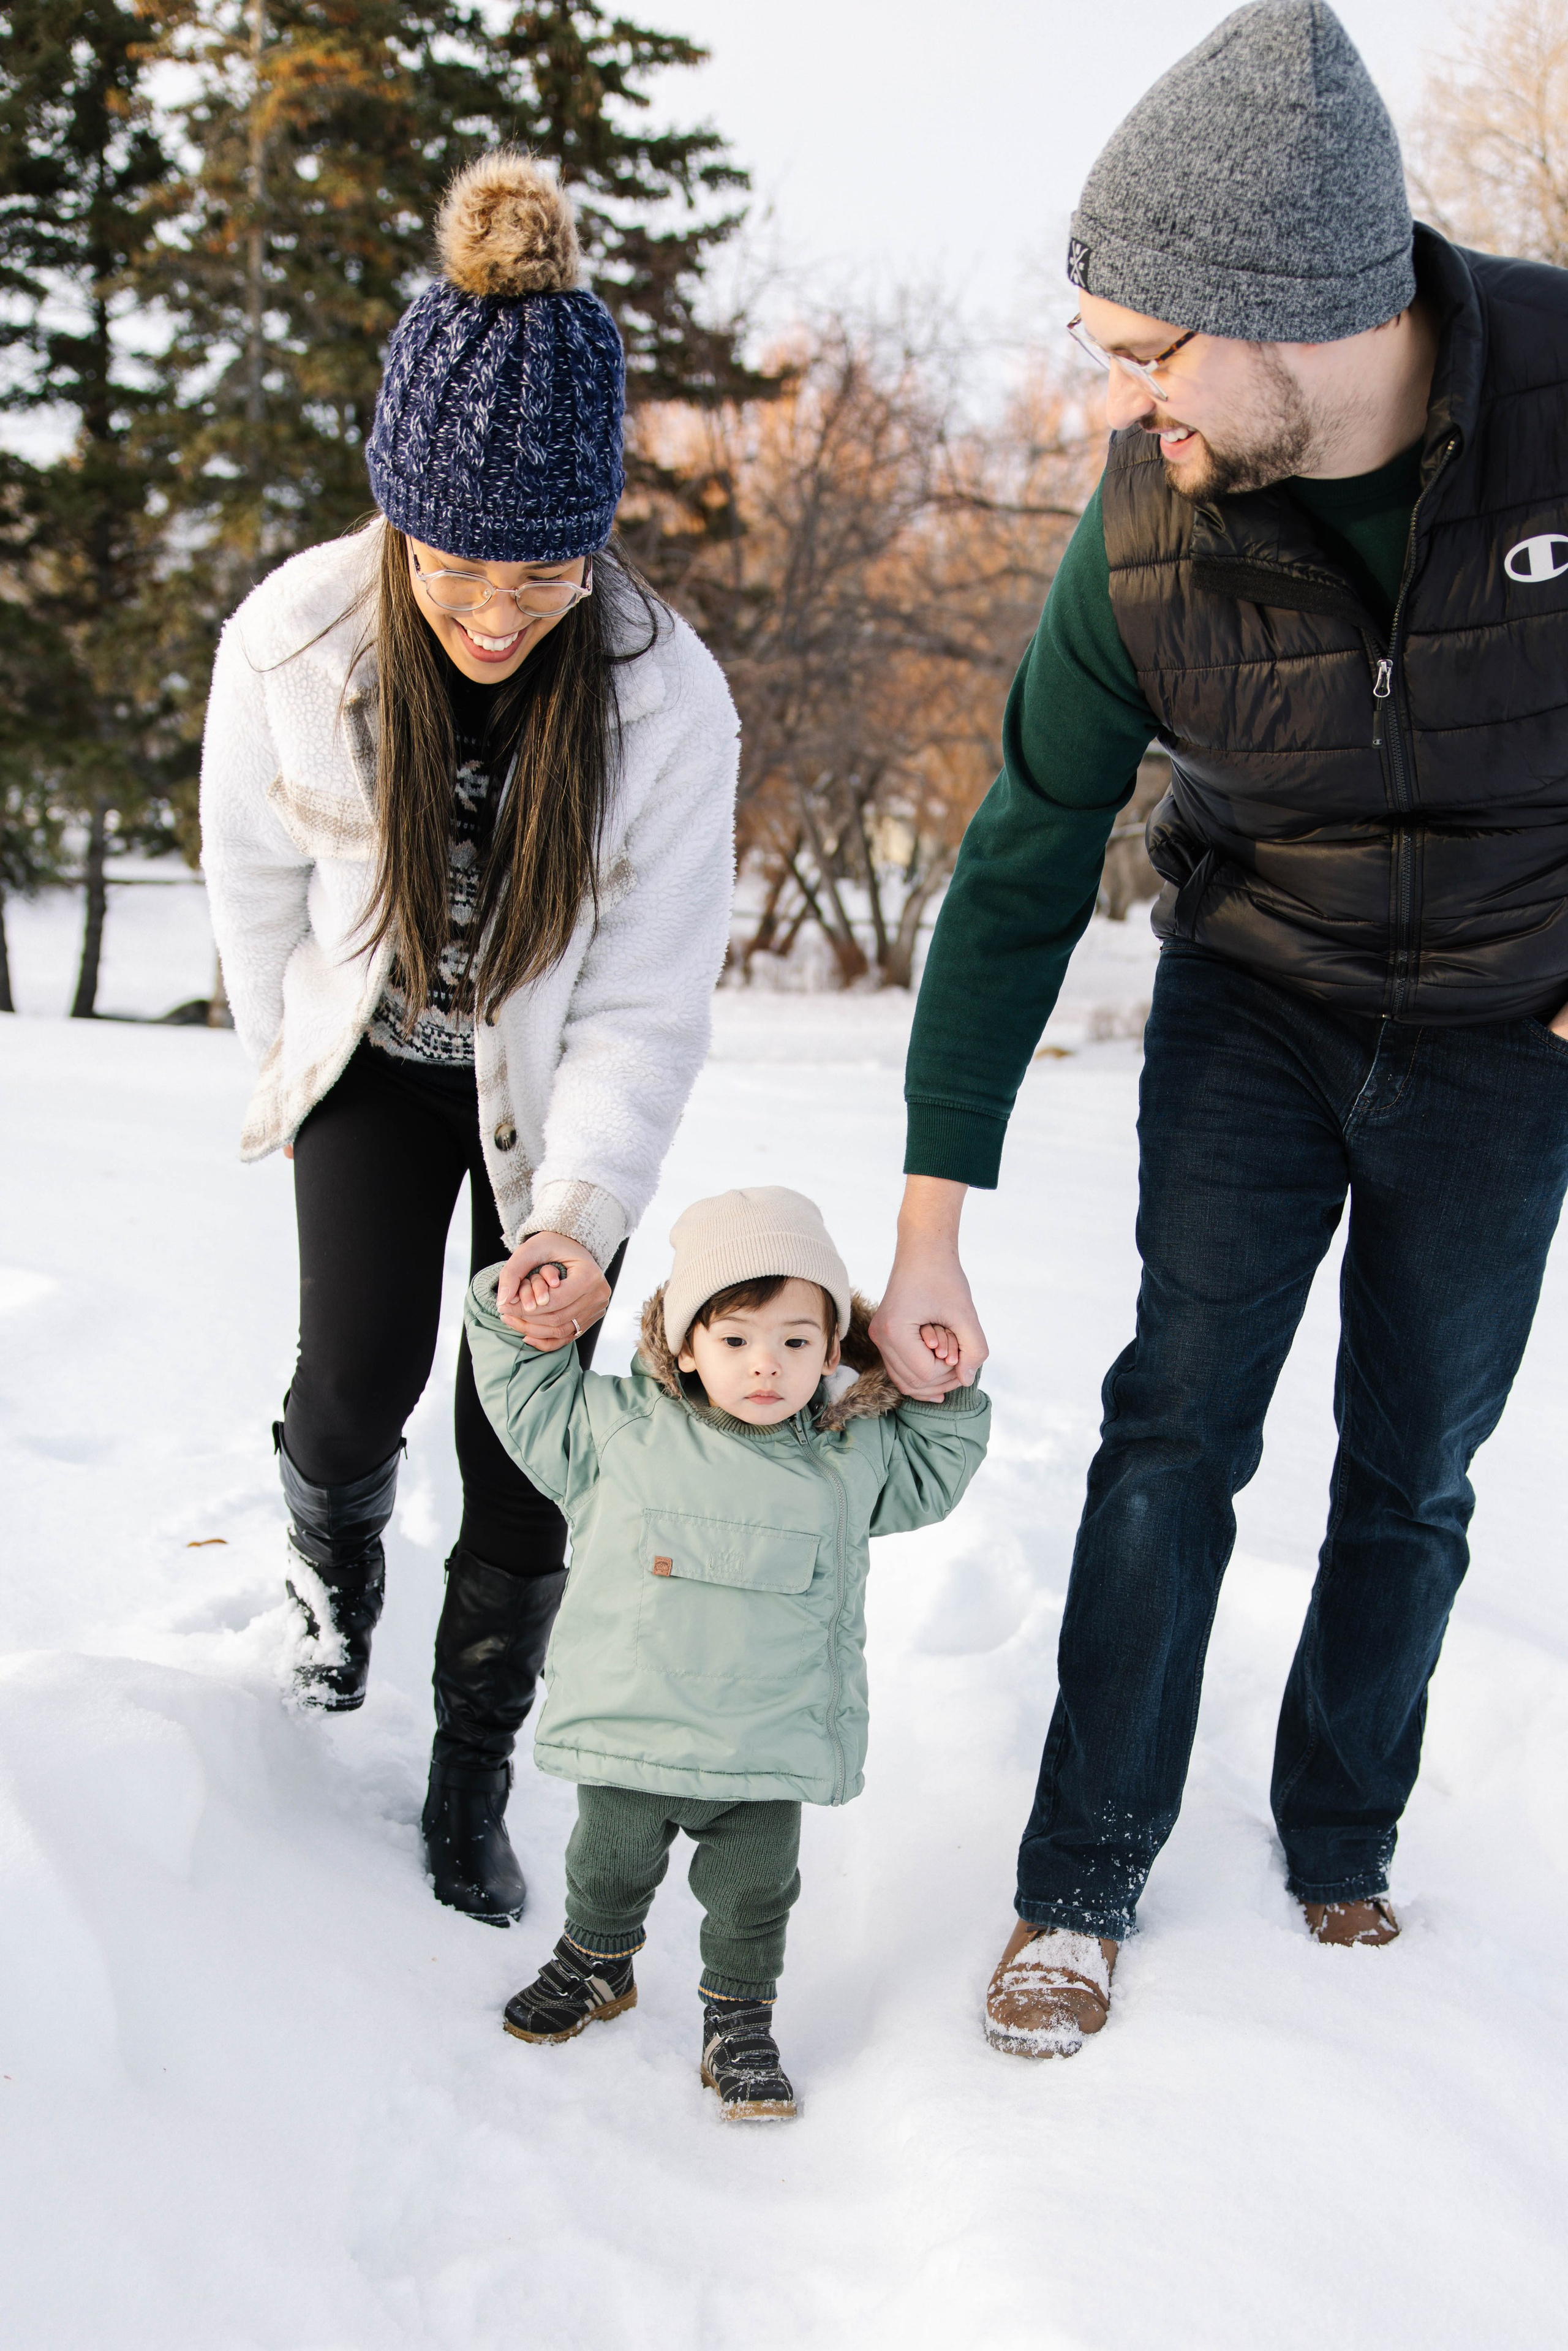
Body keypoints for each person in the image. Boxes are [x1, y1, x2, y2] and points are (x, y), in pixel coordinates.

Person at [870, 0, 1568, 2056]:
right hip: (1257, 996)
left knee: (1416, 1464)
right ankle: (1080, 1870)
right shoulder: (1149, 527)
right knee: (1177, 1423)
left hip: (1507, 1034)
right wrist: (929, 1222)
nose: (1120, 396)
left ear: (1294, 312)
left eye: (1147, 349)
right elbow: (1022, 857)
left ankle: (1342, 1833)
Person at [200, 151, 740, 1925]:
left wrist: (577, 1216)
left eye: (543, 572)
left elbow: (644, 999)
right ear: (396, 525)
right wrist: (289, 1065)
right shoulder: (295, 643)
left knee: (524, 1436)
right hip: (373, 1062)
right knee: (354, 1379)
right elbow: (253, 886)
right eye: (456, 570)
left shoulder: (662, 696)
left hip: (555, 1107)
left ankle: (470, 1767)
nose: (499, 611)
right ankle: (330, 1592)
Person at [462, 1187, 990, 2117]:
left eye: (796, 1341)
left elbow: (928, 1470)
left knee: (754, 1895)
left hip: (764, 1747)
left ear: (834, 1349)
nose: (766, 1365)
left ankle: (739, 2017)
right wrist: (520, 1307)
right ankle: (595, 1960)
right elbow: (526, 1392)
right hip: (635, 1730)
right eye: (736, 1338)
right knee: (606, 1864)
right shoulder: (618, 1432)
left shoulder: (849, 1456)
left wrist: (940, 1391)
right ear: (683, 1345)